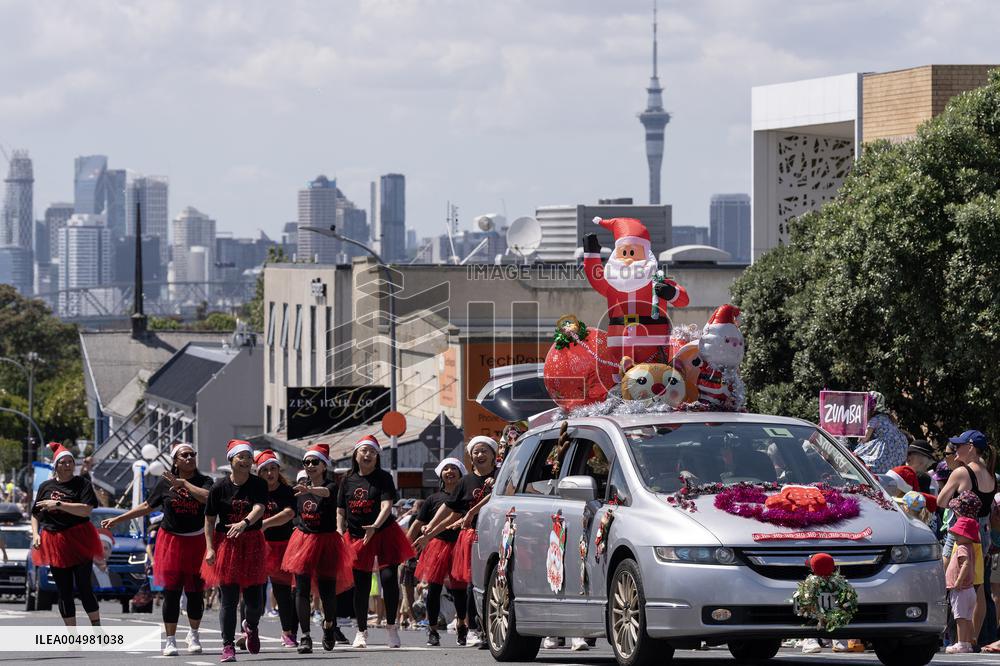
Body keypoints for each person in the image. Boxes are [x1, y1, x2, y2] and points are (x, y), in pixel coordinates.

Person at [103, 442, 213, 655]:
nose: (190, 458)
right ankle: (170, 640)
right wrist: (119, 518)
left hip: (196, 541)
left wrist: (183, 484)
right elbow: (147, 506)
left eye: (192, 454)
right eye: (185, 455)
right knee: (171, 593)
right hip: (171, 541)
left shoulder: (205, 481)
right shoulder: (164, 484)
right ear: (175, 460)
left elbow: (207, 497)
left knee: (195, 593)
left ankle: (194, 634)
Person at [417, 435, 499, 648]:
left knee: (485, 586)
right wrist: (429, 532)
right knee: (468, 586)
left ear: (494, 455)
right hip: (469, 538)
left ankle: (479, 627)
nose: (480, 455)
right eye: (475, 452)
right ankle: (469, 628)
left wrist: (472, 510)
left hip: (496, 536)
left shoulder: (502, 476)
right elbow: (450, 510)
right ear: (471, 457)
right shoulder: (465, 482)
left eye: (484, 451)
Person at [337, 435, 416, 649]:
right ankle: (361, 631)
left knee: (389, 579)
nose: (368, 454)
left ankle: (392, 628)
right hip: (356, 536)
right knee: (361, 586)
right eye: (364, 451)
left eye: (372, 451)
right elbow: (341, 510)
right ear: (356, 455)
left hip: (383, 533)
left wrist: (375, 526)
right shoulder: (347, 480)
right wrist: (338, 529)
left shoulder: (384, 477)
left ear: (376, 456)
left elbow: (386, 505)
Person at [281, 443, 353, 653]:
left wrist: (310, 489)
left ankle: (329, 626)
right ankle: (305, 636)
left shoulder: (331, 486)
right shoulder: (299, 490)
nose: (311, 465)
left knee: (327, 592)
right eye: (307, 462)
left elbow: (325, 493)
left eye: (315, 462)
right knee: (300, 591)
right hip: (303, 541)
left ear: (324, 466)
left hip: (326, 542)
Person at [201, 439, 268, 663]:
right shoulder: (218, 488)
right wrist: (210, 549)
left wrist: (245, 523)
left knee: (255, 602)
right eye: (241, 457)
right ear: (231, 459)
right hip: (227, 545)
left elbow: (260, 507)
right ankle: (227, 645)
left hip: (252, 542)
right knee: (228, 600)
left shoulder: (258, 484)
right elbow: (209, 521)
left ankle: (251, 625)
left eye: (249, 457)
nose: (246, 461)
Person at [30, 443, 103, 627]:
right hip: (55, 540)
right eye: (63, 462)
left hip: (79, 539)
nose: (68, 465)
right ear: (56, 466)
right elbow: (35, 514)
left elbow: (86, 510)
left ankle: (97, 628)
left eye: (70, 462)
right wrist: (35, 535)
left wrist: (58, 505)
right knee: (64, 590)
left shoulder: (82, 484)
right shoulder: (46, 486)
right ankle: (72, 635)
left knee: (84, 586)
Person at [939, 430, 996, 644]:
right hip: (983, 535)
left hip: (961, 533)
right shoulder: (990, 474)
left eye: (959, 445)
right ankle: (971, 638)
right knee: (978, 587)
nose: (955, 449)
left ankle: (942, 634)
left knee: (945, 580)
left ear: (970, 447)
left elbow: (941, 501)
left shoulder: (961, 473)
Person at [409, 457, 468, 647]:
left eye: (454, 469)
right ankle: (432, 630)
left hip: (460, 546)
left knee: (460, 591)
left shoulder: (466, 497)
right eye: (446, 469)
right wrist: (406, 545)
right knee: (433, 590)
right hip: (437, 546)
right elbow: (418, 524)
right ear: (440, 474)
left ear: (461, 474)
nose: (450, 472)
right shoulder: (432, 499)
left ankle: (461, 625)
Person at [253, 449, 299, 649]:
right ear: (259, 473)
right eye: (265, 470)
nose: (270, 473)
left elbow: (288, 514)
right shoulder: (254, 490)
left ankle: (287, 632)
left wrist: (264, 524)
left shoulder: (286, 491)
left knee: (283, 592)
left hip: (282, 546)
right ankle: (249, 631)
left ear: (278, 470)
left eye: (273, 469)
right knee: (253, 592)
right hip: (257, 546)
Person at [853, 391, 907, 474]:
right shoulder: (888, 418)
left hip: (884, 447)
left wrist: (859, 438)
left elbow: (865, 437)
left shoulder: (875, 419)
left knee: (857, 456)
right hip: (897, 447)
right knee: (887, 466)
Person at [947, 516, 980, 653]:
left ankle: (960, 644)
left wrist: (958, 581)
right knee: (966, 617)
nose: (955, 537)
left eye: (958, 534)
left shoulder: (962, 547)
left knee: (960, 617)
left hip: (961, 588)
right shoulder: (970, 546)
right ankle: (966, 643)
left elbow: (965, 564)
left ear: (964, 535)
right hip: (970, 589)